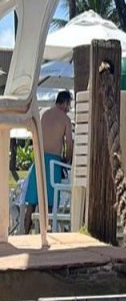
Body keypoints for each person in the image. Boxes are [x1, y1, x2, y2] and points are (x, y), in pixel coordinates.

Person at [23, 90, 74, 233]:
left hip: (39, 159)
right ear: (65, 103)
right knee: (51, 205)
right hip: (54, 162)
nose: (68, 108)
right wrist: (67, 159)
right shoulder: (65, 119)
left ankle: (24, 234)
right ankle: (46, 234)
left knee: (32, 203)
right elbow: (69, 144)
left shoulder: (44, 114)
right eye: (69, 105)